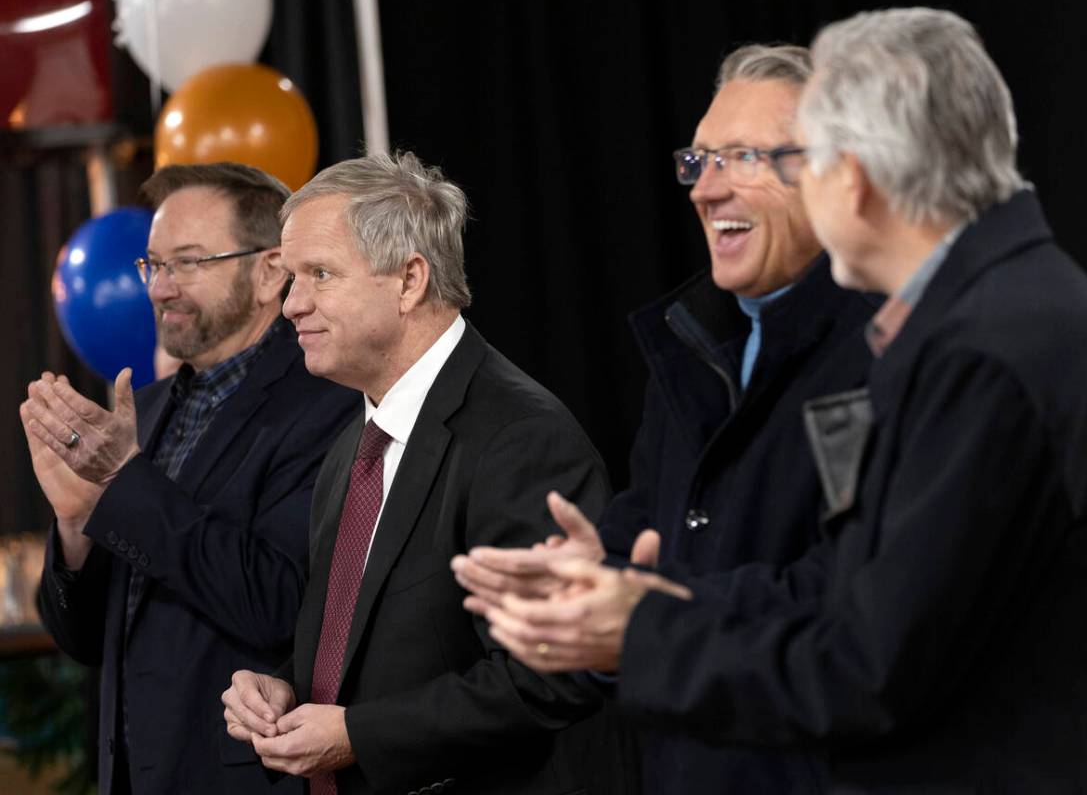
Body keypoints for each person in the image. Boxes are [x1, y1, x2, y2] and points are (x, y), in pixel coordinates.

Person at [480, 7, 1087, 792]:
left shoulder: (986, 348)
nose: (709, 191)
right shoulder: (1002, 313)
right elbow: (851, 589)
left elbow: (870, 663)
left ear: (852, 174)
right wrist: (635, 595)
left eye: (785, 159)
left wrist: (639, 632)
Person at [452, 44, 875, 793]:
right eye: (698, 160)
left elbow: (863, 604)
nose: (704, 191)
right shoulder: (690, 348)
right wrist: (582, 585)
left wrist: (642, 616)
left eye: (740, 157)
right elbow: (647, 533)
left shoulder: (897, 349)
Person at [220, 152, 625, 795]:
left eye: (319, 274)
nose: (291, 304)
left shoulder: (521, 438)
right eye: (291, 278)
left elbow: (550, 676)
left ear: (409, 281)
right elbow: (375, 647)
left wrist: (358, 735)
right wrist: (285, 685)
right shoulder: (354, 441)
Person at [24, 162, 362, 794]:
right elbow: (83, 640)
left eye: (189, 262)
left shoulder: (327, 406)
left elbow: (278, 606)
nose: (159, 289)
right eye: (153, 264)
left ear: (269, 272)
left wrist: (123, 484)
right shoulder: (142, 413)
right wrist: (76, 524)